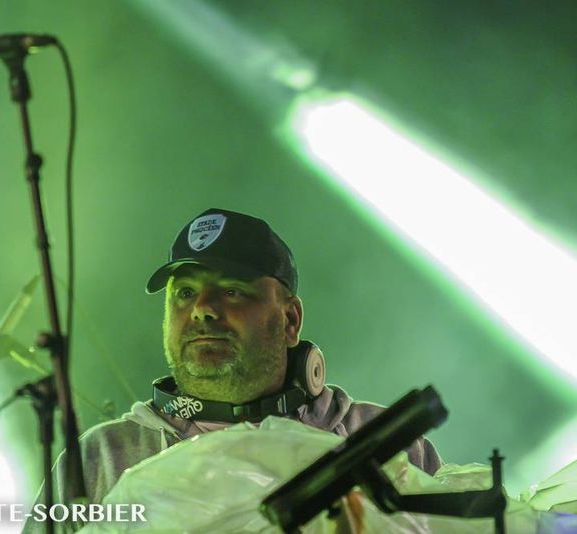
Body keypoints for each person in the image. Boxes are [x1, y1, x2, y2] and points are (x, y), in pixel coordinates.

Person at [22, 208, 441, 531]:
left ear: (290, 320)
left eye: (233, 291)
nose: (203, 309)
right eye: (185, 292)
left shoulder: (386, 441)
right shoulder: (103, 458)